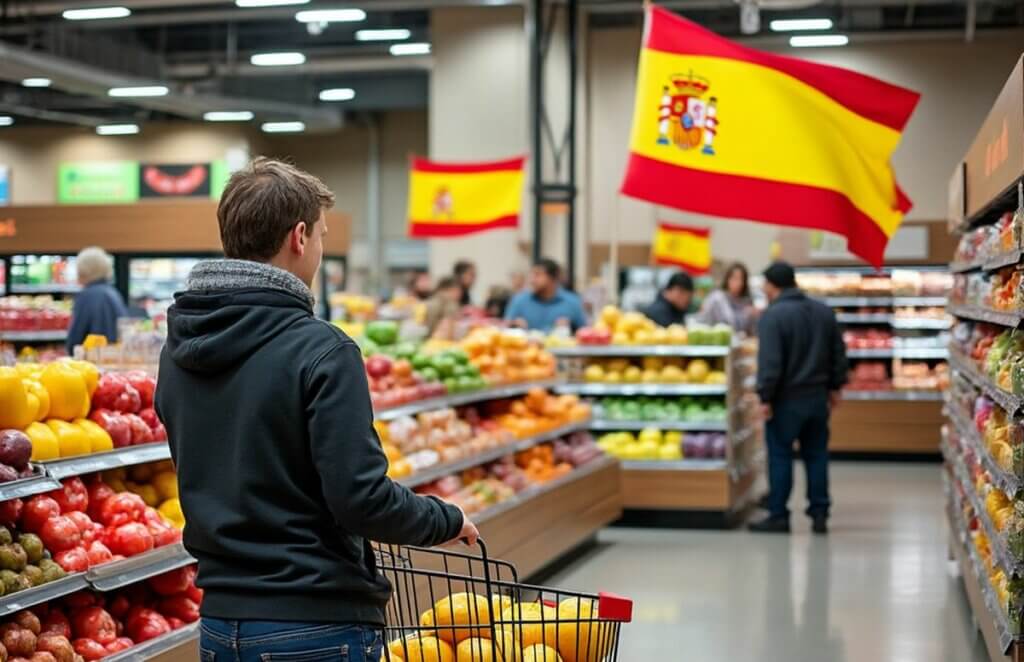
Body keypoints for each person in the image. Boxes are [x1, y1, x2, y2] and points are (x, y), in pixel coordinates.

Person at [154, 158, 476, 661]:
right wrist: (445, 519)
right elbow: (361, 499)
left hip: (219, 623)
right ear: (299, 237)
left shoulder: (178, 349)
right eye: (323, 236)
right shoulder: (322, 350)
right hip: (315, 622)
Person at [749, 261, 847, 535]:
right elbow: (838, 353)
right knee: (816, 456)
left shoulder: (773, 316)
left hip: (785, 400)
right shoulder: (823, 312)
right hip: (817, 398)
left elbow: (770, 363)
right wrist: (835, 387)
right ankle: (819, 514)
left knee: (780, 455)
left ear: (772, 285)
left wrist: (765, 397)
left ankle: (778, 514)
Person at [66, 246, 128, 354]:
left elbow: (75, 339)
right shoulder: (113, 293)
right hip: (113, 357)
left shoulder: (86, 296)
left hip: (92, 359)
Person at [504, 258, 587, 332]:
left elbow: (584, 332)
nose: (532, 280)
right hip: (528, 348)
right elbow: (505, 328)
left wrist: (572, 328)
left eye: (537, 275)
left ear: (553, 278)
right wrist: (514, 326)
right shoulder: (519, 300)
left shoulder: (572, 302)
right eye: (531, 275)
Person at [698, 262, 758, 335]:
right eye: (735, 278)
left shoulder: (747, 301)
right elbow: (729, 323)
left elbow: (752, 330)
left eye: (742, 279)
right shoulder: (717, 298)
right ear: (727, 279)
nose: (739, 283)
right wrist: (745, 314)